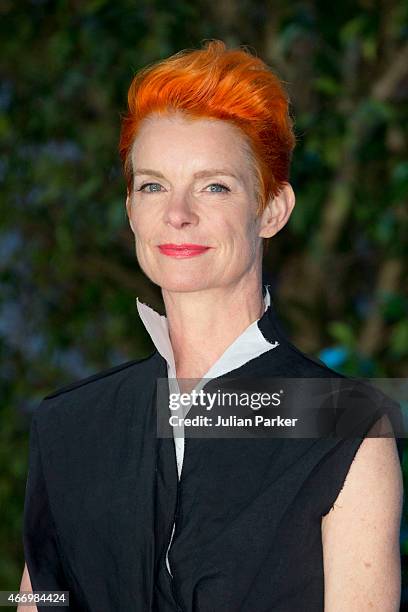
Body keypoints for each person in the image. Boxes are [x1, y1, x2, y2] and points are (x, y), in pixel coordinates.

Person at [20, 39, 403, 611]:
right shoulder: (69, 425)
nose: (178, 213)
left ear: (271, 209)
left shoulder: (343, 421)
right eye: (152, 185)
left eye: (214, 185)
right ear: (130, 211)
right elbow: (38, 599)